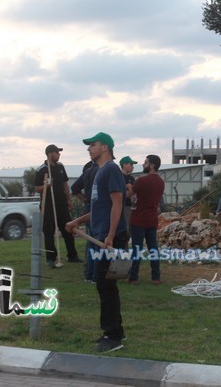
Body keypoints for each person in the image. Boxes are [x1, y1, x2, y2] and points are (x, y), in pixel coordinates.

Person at [65, 132, 127, 353]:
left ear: (105, 147)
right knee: (105, 286)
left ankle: (113, 336)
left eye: (93, 145)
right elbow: (99, 209)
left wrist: (110, 235)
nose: (89, 148)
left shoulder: (110, 169)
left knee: (106, 286)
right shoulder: (100, 172)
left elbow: (117, 204)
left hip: (112, 237)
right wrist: (77, 221)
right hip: (102, 236)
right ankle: (114, 332)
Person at [34, 144, 80, 267]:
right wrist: (47, 185)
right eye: (57, 153)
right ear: (50, 154)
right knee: (49, 233)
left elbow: (65, 185)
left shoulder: (60, 167)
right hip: (48, 205)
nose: (59, 155)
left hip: (62, 205)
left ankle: (72, 255)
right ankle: (51, 259)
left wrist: (69, 201)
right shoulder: (41, 169)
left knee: (68, 230)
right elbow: (37, 188)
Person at [128, 154, 165, 285]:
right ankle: (156, 277)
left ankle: (133, 277)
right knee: (153, 248)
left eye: (146, 162)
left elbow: (129, 195)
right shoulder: (161, 182)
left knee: (137, 249)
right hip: (152, 219)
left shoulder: (141, 181)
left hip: (138, 219)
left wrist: (128, 187)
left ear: (152, 165)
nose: (143, 164)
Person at [71, 160, 100, 283]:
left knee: (90, 243)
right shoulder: (102, 171)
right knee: (98, 242)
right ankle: (96, 276)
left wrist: (85, 200)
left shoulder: (87, 172)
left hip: (88, 206)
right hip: (99, 208)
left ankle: (88, 275)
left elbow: (74, 188)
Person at [119, 156, 137, 236]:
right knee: (124, 228)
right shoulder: (118, 177)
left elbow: (134, 192)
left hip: (131, 206)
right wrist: (129, 189)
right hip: (123, 206)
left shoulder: (131, 178)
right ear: (124, 165)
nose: (133, 167)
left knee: (130, 228)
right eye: (131, 164)